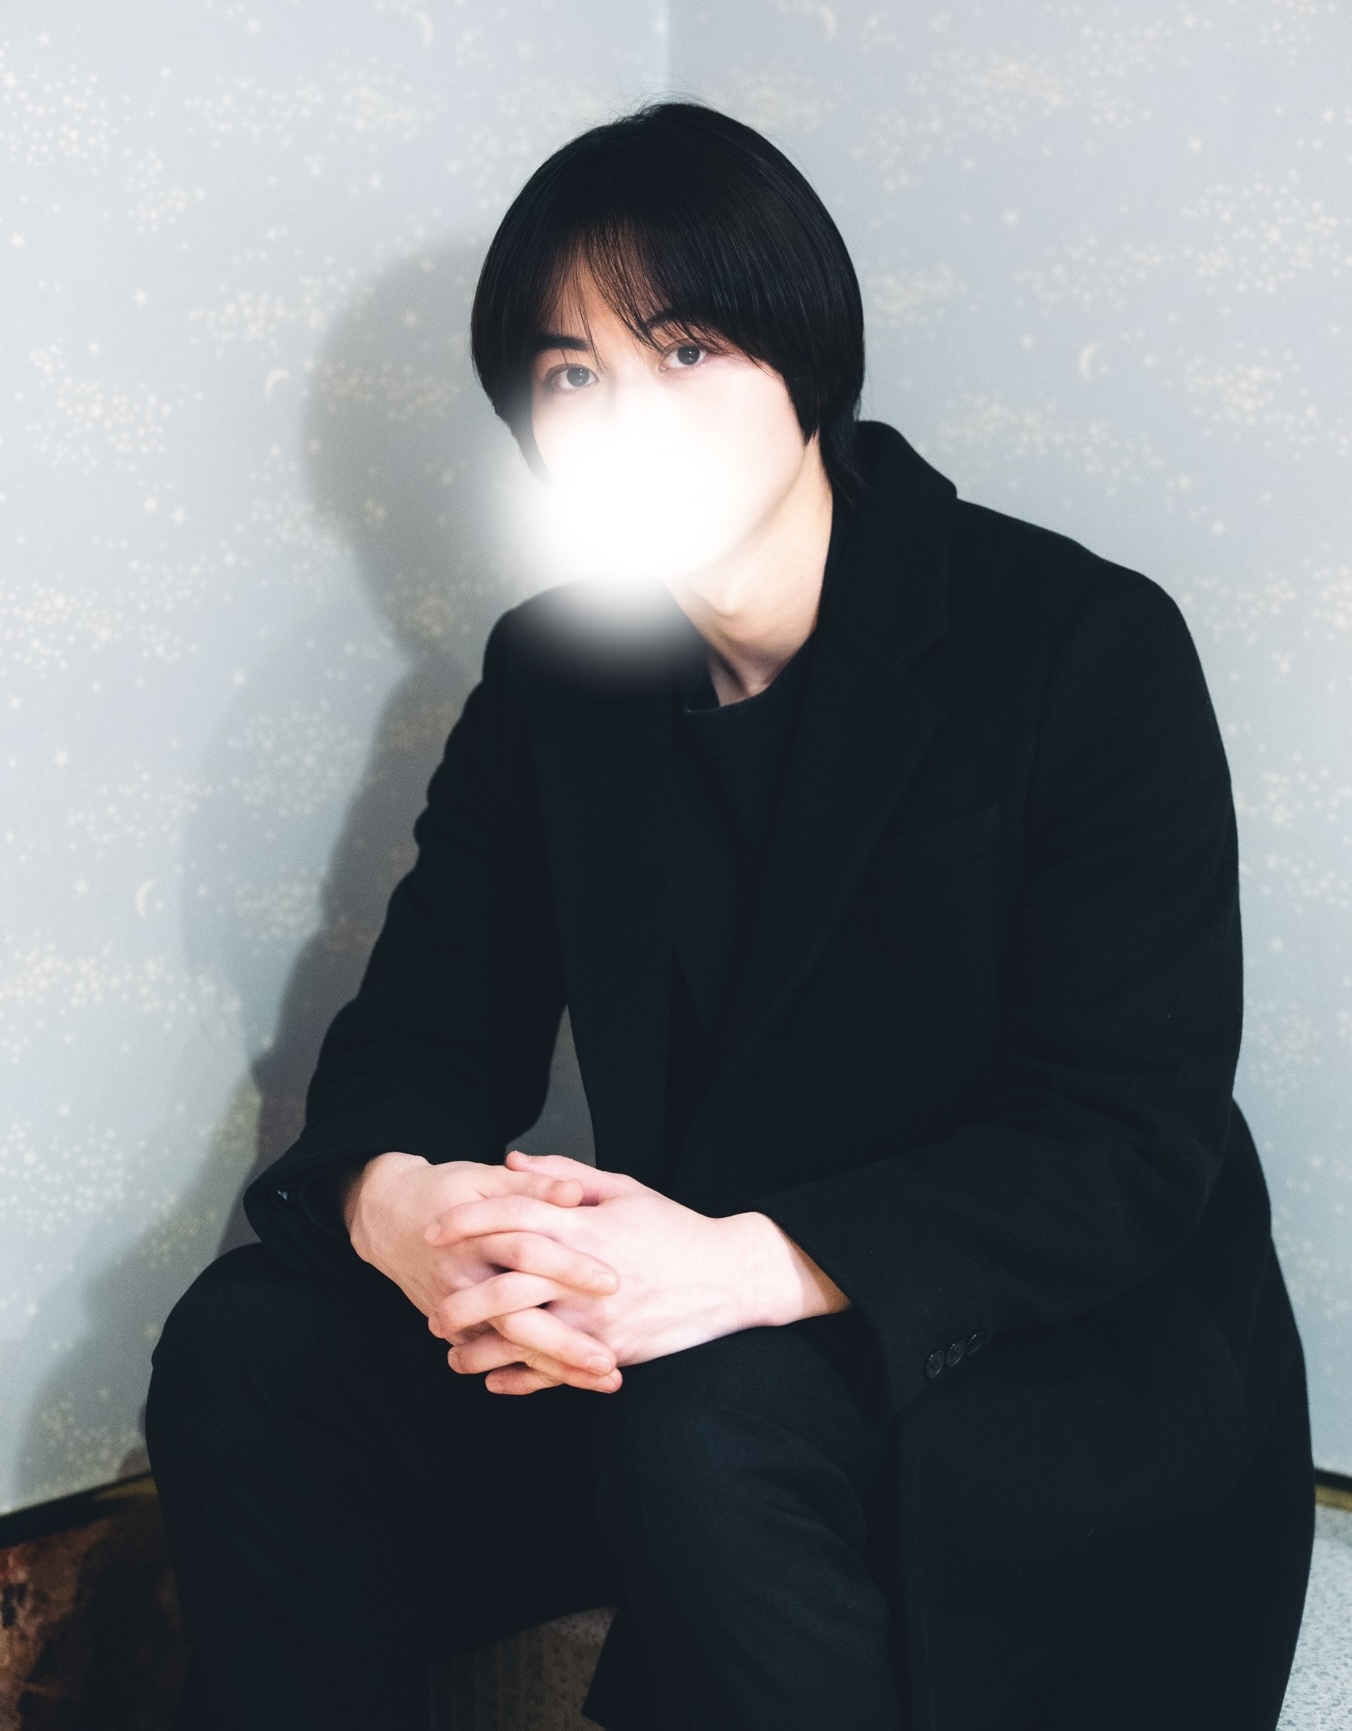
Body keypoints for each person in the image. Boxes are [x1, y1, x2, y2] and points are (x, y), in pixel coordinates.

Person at [145, 101, 1314, 1731]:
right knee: (252, 1345)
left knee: (709, 1422)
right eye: (572, 375)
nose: (627, 417)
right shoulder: (555, 671)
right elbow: (422, 1035)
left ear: (804, 360)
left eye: (685, 350)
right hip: (681, 1320)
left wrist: (744, 1267)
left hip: (1032, 1353)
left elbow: (1122, 1142)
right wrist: (408, 1212)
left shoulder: (1078, 643)